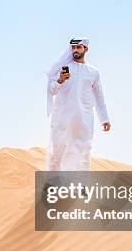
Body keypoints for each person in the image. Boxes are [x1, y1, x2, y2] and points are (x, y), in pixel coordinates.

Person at [45, 37, 111, 171]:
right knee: (58, 149)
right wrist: (60, 80)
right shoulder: (64, 68)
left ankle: (80, 186)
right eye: (73, 48)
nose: (75, 50)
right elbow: (52, 91)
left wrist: (104, 119)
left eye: (78, 47)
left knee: (84, 150)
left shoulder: (93, 72)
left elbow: (99, 96)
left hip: (84, 118)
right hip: (63, 117)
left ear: (85, 49)